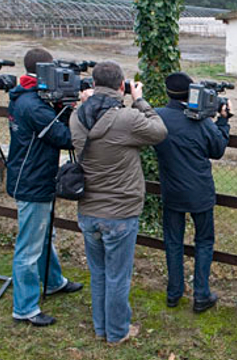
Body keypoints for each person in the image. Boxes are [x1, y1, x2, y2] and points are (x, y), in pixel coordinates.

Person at [70, 61, 167, 344]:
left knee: (98, 273)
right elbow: (159, 131)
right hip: (120, 212)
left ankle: (102, 327)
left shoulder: (77, 117)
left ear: (92, 84)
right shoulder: (126, 119)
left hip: (88, 208)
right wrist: (140, 101)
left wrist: (86, 101)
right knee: (118, 276)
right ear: (121, 85)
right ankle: (117, 332)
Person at [6, 48, 83, 327]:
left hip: (33, 175)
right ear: (44, 72)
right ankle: (24, 307)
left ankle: (52, 281)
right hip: (33, 180)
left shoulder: (24, 96)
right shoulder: (33, 105)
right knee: (28, 247)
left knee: (42, 235)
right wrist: (72, 111)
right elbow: (64, 137)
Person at [153, 72, 230, 313]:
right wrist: (223, 121)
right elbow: (217, 150)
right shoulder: (201, 120)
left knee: (173, 242)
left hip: (171, 191)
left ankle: (174, 293)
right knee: (204, 242)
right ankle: (201, 294)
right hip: (200, 192)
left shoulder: (157, 117)